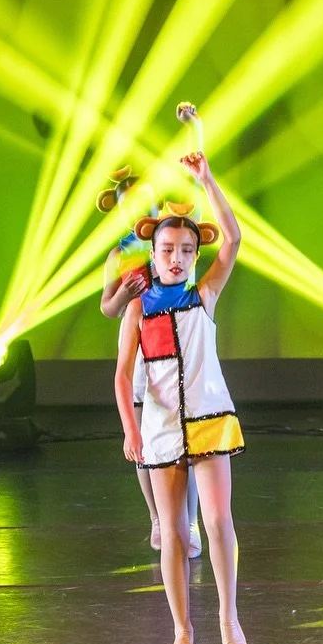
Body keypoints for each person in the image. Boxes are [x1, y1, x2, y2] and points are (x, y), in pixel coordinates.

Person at [114, 151, 245, 644]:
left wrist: (207, 179)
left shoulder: (203, 297)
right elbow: (123, 376)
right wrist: (132, 430)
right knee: (172, 530)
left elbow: (232, 240)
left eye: (186, 250)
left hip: (211, 422)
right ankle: (182, 628)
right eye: (168, 248)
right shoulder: (137, 308)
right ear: (152, 251)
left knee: (216, 520)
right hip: (163, 428)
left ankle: (228, 615)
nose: (177, 258)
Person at [98, 166, 201, 558]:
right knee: (147, 440)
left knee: (188, 439)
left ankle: (189, 523)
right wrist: (124, 293)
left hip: (181, 343)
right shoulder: (120, 254)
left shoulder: (171, 240)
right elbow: (108, 309)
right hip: (142, 346)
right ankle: (158, 518)